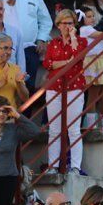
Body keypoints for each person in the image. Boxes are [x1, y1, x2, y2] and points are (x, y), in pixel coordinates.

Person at [41, 9, 87, 174]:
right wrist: (67, 62)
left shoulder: (81, 41)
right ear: (58, 25)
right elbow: (47, 64)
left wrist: (73, 37)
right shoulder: (53, 43)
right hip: (54, 88)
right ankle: (53, 166)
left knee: (73, 129)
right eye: (65, 23)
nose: (68, 26)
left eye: (71, 23)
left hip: (74, 88)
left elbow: (78, 57)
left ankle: (75, 166)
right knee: (54, 129)